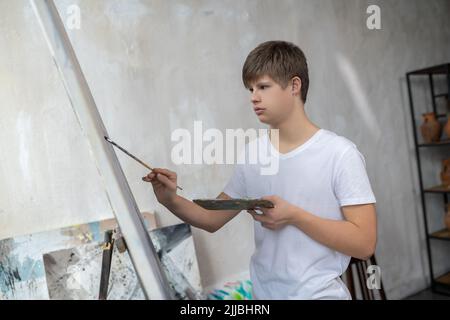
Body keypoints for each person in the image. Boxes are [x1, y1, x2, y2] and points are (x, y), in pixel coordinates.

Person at [143, 40, 377, 299]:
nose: (254, 97)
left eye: (264, 87)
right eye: (251, 88)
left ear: (294, 86)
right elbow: (211, 218)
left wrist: (294, 216)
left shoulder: (340, 154)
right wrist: (170, 199)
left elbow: (364, 244)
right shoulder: (253, 155)